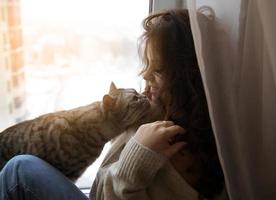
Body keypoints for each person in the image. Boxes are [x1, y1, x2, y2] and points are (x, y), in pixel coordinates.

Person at [0, 9, 224, 200]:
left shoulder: (182, 157)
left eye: (157, 70)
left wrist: (135, 162)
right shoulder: (158, 112)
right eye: (145, 65)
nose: (144, 76)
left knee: (18, 171)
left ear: (187, 77)